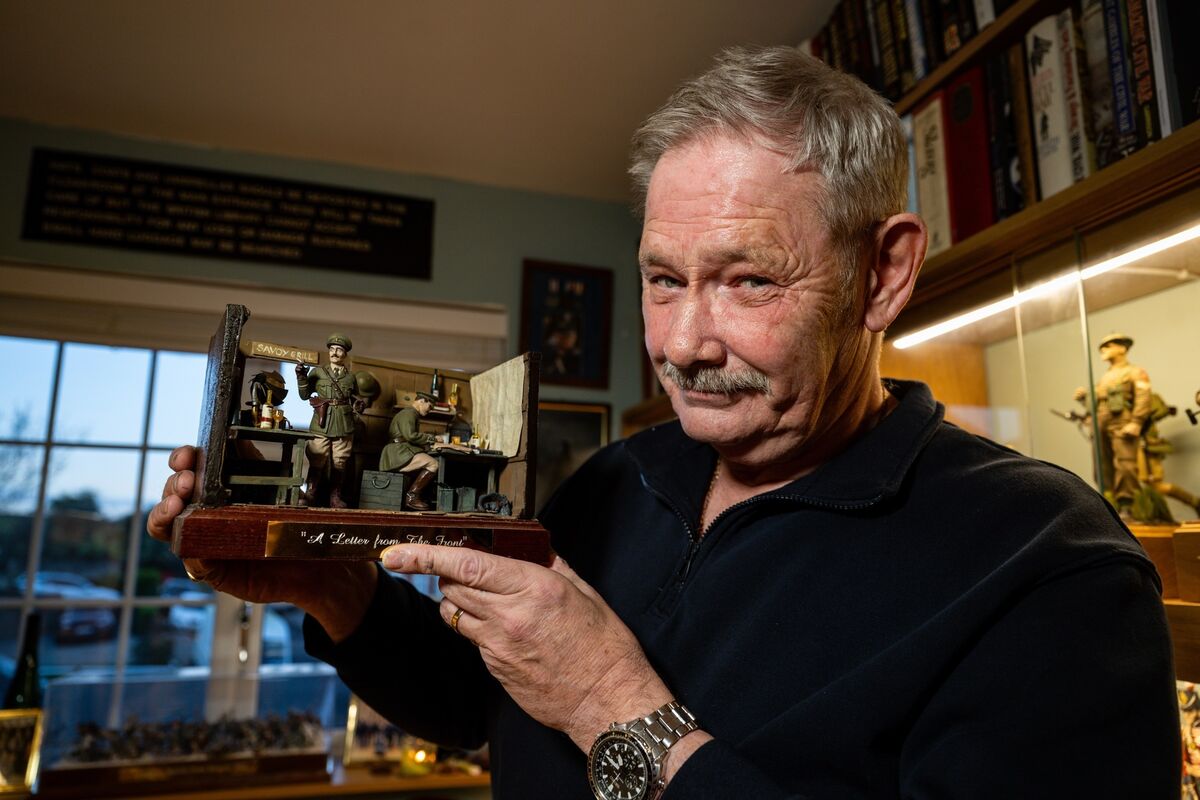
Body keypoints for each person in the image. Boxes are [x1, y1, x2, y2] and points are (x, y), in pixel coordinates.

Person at [148, 46, 1178, 798]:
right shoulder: (614, 479)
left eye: (746, 280)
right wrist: (341, 594)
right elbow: (480, 708)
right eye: (662, 279)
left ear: (884, 273)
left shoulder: (1051, 564)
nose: (685, 342)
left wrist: (615, 704)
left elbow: (583, 704)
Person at [1075, 333, 1152, 517]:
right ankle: (1109, 503)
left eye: (1109, 345)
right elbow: (1099, 401)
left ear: (1122, 348)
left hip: (1121, 421)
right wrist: (1084, 398)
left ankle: (1127, 505)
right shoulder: (1105, 377)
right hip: (1100, 421)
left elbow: (1143, 397)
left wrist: (1136, 422)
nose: (1103, 349)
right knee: (1101, 465)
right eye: (1103, 346)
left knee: (1125, 464)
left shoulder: (1134, 371)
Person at [296, 333, 364, 508]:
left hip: (343, 422)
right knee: (317, 457)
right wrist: (301, 376)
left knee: (340, 461)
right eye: (332, 349)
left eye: (339, 350)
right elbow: (304, 396)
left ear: (345, 354)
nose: (334, 353)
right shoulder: (318, 372)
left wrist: (358, 403)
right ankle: (310, 493)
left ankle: (335, 497)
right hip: (322, 421)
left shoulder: (350, 377)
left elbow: (353, 396)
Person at [378, 392, 440, 510]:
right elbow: (410, 436)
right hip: (397, 452)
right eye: (430, 406)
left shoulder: (412, 414)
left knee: (426, 463)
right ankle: (412, 497)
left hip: (400, 450)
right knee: (433, 463)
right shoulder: (409, 413)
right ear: (422, 401)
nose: (430, 410)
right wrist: (433, 438)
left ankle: (410, 499)